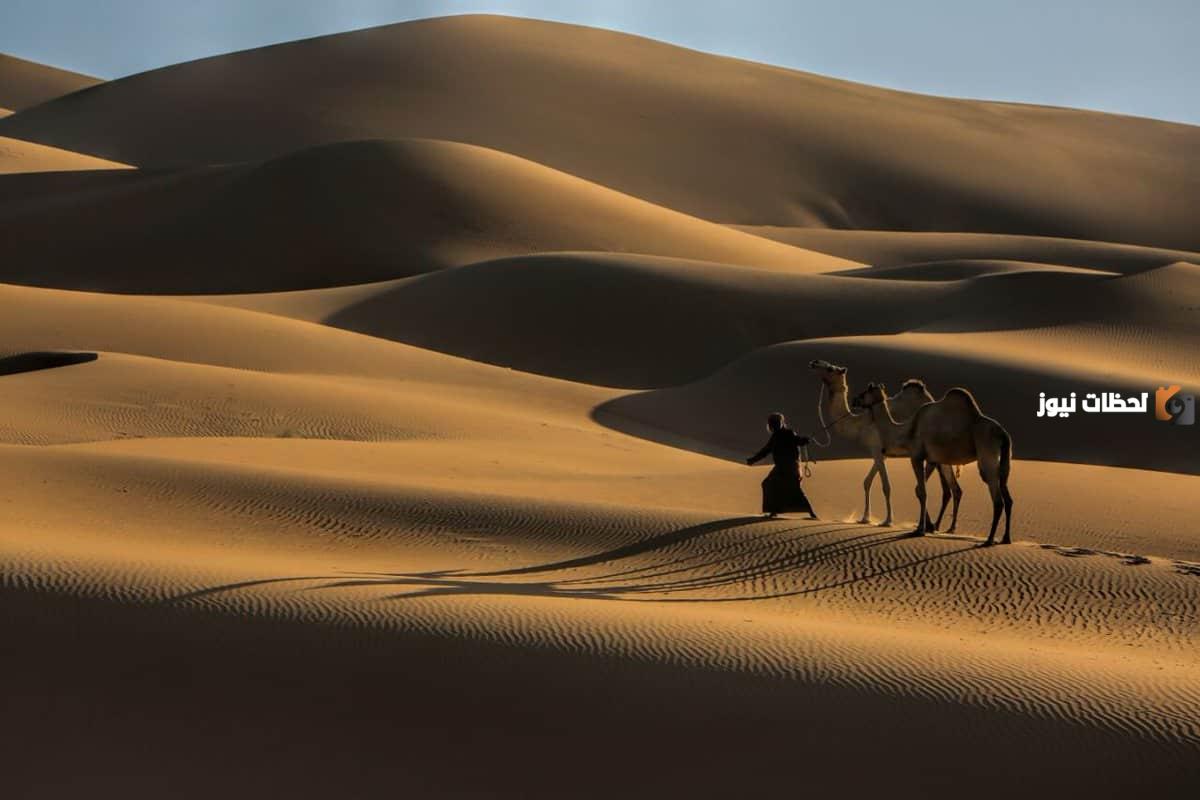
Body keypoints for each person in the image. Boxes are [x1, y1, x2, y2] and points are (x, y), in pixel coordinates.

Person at [746, 412, 818, 519]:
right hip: (782, 468)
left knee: (791, 489)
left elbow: (798, 440)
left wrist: (804, 440)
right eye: (773, 423)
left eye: (777, 422)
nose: (775, 424)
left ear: (782, 423)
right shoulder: (775, 437)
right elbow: (766, 450)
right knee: (771, 485)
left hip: (790, 468)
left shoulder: (789, 433)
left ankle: (811, 514)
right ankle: (774, 511)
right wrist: (753, 460)